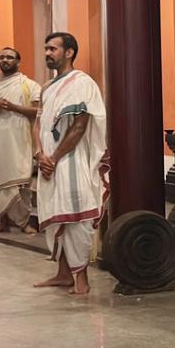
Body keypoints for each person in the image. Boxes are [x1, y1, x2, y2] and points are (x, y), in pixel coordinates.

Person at [33, 32, 108, 296]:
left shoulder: (82, 83)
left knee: (76, 216)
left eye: (52, 49)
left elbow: (79, 127)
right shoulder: (47, 87)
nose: (47, 53)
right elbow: (38, 124)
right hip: (47, 161)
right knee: (56, 214)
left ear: (69, 52)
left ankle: (81, 278)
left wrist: (53, 158)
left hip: (71, 161)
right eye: (46, 48)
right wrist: (39, 154)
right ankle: (63, 274)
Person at [0, 47, 41, 234]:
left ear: (18, 62)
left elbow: (37, 111)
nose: (5, 60)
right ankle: (3, 222)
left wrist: (12, 107)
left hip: (21, 140)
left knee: (22, 183)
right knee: (1, 183)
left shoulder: (29, 85)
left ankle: (24, 223)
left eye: (9, 57)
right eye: (2, 57)